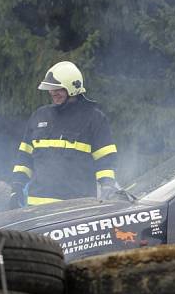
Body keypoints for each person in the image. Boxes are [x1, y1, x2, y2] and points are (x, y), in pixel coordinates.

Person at [10, 61, 119, 207]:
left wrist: (107, 186)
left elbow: (105, 160)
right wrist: (17, 186)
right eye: (50, 88)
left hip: (76, 209)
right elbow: (24, 158)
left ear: (72, 88)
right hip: (37, 208)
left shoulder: (94, 119)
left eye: (58, 88)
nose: (52, 92)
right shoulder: (39, 116)